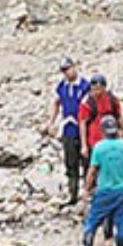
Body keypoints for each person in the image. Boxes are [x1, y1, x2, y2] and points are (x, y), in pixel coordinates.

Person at [81, 116, 123, 246]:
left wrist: (87, 189)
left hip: (104, 190)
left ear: (103, 130)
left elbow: (92, 171)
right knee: (122, 219)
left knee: (93, 219)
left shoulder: (99, 148)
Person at [47, 57, 91, 205]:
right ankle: (73, 193)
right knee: (70, 163)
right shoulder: (62, 87)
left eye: (68, 69)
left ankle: (88, 191)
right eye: (64, 70)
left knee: (87, 162)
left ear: (74, 67)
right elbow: (56, 102)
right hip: (68, 129)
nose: (67, 72)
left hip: (84, 128)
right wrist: (51, 122)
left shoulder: (85, 86)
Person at [79, 73, 123, 160]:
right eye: (94, 89)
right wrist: (84, 146)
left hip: (112, 139)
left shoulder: (112, 99)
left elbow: (119, 116)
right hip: (94, 141)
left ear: (104, 88)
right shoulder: (87, 102)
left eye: (98, 89)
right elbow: (83, 123)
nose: (96, 92)